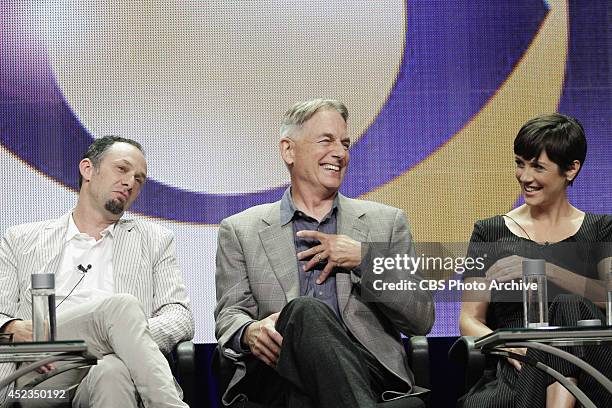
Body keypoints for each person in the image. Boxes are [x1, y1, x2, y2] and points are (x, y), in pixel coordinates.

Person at [214, 99, 434, 408]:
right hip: (277, 367)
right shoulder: (241, 230)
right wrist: (249, 331)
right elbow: (229, 315)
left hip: (366, 368)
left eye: (345, 144)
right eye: (326, 141)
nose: (340, 153)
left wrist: (365, 259)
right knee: (305, 312)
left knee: (304, 393)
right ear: (289, 150)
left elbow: (421, 319)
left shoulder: (385, 223)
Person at [0, 136, 194, 407]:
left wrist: (123, 333)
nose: (130, 183)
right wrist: (11, 328)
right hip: (44, 369)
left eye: (139, 179)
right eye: (122, 169)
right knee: (120, 309)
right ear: (88, 169)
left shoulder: (155, 239)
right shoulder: (21, 239)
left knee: (113, 370)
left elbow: (180, 317)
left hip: (116, 366)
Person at [459, 113, 612, 408]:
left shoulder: (601, 229)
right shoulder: (489, 232)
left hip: (592, 369)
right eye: (520, 163)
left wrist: (546, 270)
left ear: (571, 169)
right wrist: (514, 347)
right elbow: (470, 319)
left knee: (569, 305)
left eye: (538, 167)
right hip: (516, 362)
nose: (525, 177)